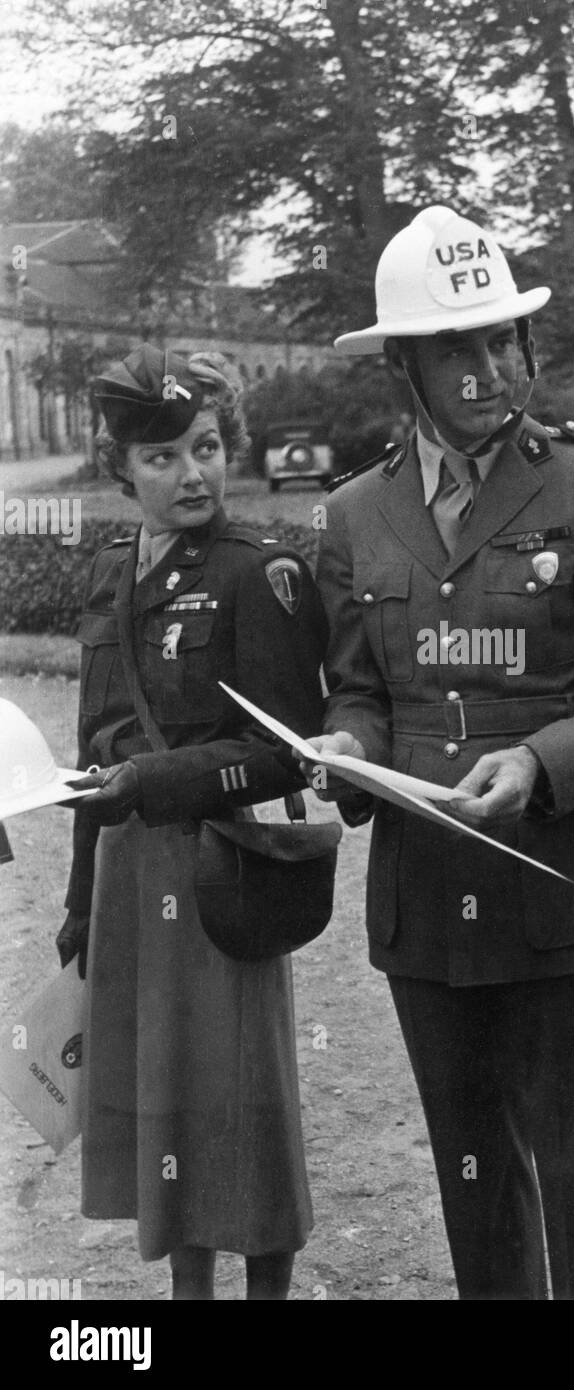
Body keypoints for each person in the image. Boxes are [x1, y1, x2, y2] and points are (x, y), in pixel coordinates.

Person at [304, 205, 574, 1300]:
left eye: (501, 339)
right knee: (475, 1185)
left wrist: (541, 764)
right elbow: (362, 691)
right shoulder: (351, 517)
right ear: (403, 370)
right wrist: (346, 746)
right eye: (456, 347)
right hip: (428, 909)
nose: (488, 365)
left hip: (566, 897)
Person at [60, 345, 327, 1300]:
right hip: (132, 876)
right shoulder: (105, 576)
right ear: (122, 468)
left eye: (208, 447)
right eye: (165, 456)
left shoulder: (263, 574)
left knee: (243, 1105)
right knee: (165, 1105)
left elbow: (287, 754)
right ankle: (188, 1293)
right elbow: (98, 746)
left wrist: (153, 779)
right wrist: (80, 901)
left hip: (224, 871)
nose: (194, 473)